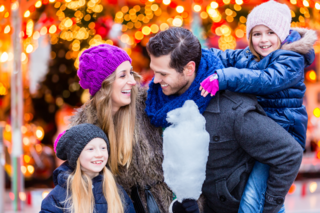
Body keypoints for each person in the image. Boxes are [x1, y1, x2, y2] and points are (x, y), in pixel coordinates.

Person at [145, 27, 303, 213]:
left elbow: (289, 153)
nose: (155, 80)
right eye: (154, 71)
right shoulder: (154, 102)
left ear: (189, 69)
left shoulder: (234, 109)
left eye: (163, 74)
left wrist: (268, 207)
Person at [199, 1, 317, 212]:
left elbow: (265, 80)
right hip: (257, 133)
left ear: (281, 33)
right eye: (257, 34)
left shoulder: (290, 59)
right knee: (254, 193)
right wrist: (195, 52)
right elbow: (225, 55)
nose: (263, 40)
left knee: (254, 198)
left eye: (270, 32)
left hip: (282, 135)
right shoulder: (249, 55)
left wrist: (224, 77)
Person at [69, 44, 173, 213]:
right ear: (105, 84)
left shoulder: (150, 104)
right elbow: (75, 179)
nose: (132, 81)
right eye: (123, 75)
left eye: (131, 73)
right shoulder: (85, 127)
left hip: (164, 205)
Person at [40, 123, 136, 213]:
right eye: (91, 149)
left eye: (103, 148)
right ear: (76, 156)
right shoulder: (58, 196)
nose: (99, 154)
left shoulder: (116, 191)